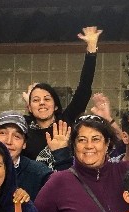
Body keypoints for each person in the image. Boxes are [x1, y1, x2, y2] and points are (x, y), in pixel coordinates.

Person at [22, 26, 102, 166]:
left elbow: (83, 89)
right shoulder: (24, 129)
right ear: (29, 107)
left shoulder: (66, 122)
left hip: (65, 182)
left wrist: (91, 50)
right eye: (36, 100)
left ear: (56, 105)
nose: (42, 103)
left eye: (47, 99)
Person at [0, 111, 58, 202]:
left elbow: (64, 191)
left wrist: (61, 154)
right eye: (3, 133)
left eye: (17, 136)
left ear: (24, 144)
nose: (8, 141)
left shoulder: (38, 173)